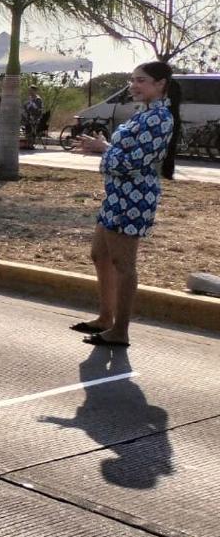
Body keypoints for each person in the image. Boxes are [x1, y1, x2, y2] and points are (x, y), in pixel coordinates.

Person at [72, 62, 181, 348]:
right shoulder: (144, 113)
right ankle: (105, 318)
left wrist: (103, 150)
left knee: (123, 263)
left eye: (141, 80)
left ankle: (120, 331)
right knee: (100, 254)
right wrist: (105, 147)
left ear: (161, 84)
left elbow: (134, 162)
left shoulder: (159, 117)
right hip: (117, 195)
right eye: (132, 80)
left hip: (134, 197)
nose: (133, 85)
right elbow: (126, 153)